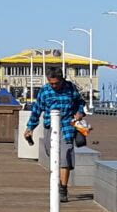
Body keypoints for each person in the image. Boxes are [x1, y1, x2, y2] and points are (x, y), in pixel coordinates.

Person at [25, 68, 87, 200]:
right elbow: (37, 109)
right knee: (52, 153)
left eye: (56, 83)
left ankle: (63, 189)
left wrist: (80, 112)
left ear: (62, 80)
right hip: (50, 126)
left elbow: (80, 102)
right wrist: (30, 127)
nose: (54, 86)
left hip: (67, 125)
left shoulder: (70, 88)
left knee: (65, 156)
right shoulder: (45, 91)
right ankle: (58, 181)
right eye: (51, 83)